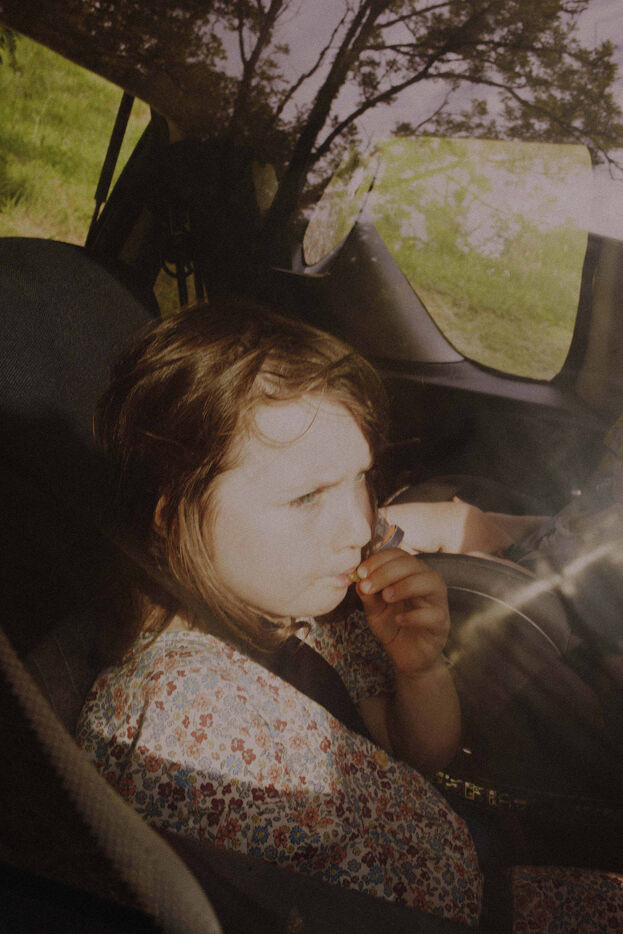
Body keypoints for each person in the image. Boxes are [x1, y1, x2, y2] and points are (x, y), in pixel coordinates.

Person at [76, 298, 623, 931]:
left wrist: (419, 670)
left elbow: (418, 754)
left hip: (472, 862)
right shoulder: (185, 726)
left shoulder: (297, 616)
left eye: (359, 477)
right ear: (173, 518)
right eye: (306, 497)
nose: (360, 528)